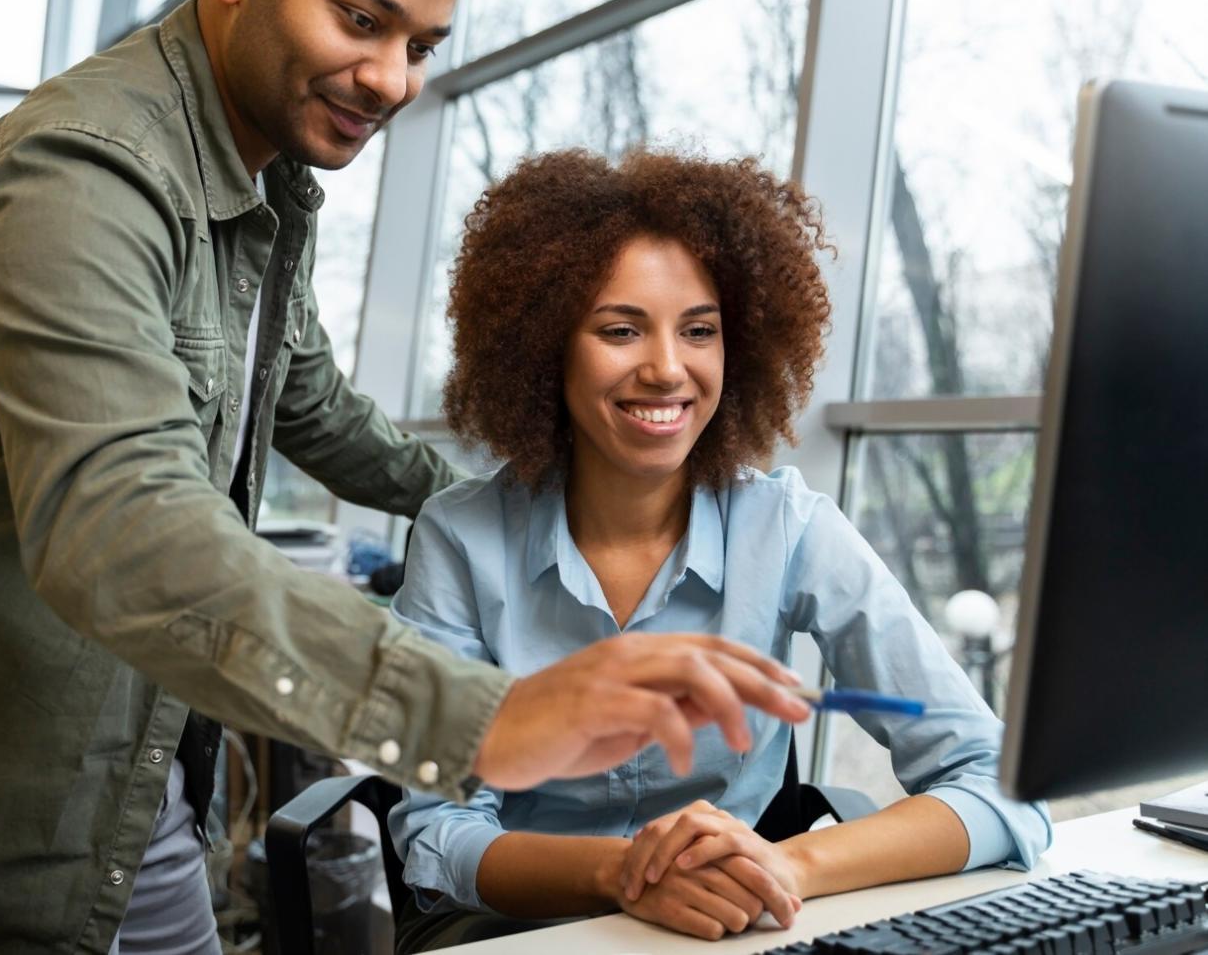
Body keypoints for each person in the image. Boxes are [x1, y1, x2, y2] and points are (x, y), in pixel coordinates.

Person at [0, 0, 812, 954]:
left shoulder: (267, 177)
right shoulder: (82, 173)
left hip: (117, 740)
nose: (391, 79)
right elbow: (118, 524)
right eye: (360, 20)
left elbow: (308, 400)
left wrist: (515, 508)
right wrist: (483, 718)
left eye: (422, 45)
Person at [387, 148, 1053, 951]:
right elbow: (439, 832)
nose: (668, 369)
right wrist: (625, 871)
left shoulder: (791, 527)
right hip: (519, 929)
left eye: (699, 330)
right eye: (621, 329)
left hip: (730, 924)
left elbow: (998, 783)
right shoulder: (459, 537)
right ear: (544, 346)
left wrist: (785, 865)